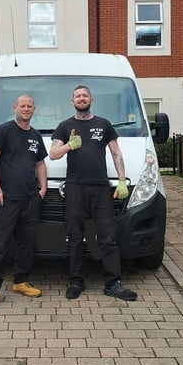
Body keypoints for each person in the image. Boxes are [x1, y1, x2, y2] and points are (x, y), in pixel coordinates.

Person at [49, 85, 137, 301]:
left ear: (91, 99)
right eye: (77, 96)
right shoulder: (65, 126)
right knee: (75, 237)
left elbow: (116, 153)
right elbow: (53, 154)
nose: (81, 98)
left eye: (85, 95)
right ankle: (76, 282)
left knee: (107, 236)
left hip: (100, 187)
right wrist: (69, 146)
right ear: (72, 101)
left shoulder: (104, 124)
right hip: (75, 188)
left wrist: (123, 181)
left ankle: (113, 283)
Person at [0, 94, 48, 310]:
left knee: (27, 243)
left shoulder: (36, 136)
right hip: (7, 198)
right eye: (22, 106)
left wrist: (43, 188)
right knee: (0, 244)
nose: (26, 109)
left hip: (30, 198)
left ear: (34, 109)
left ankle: (20, 281)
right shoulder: (4, 130)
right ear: (15, 108)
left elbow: (40, 164)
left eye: (29, 106)